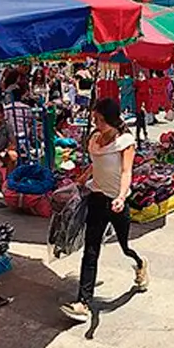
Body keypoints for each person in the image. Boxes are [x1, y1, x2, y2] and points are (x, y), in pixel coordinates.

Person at [61, 98, 147, 323]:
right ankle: (83, 302)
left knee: (124, 246)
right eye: (94, 119)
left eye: (99, 120)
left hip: (116, 202)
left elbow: (127, 172)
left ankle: (140, 264)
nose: (95, 123)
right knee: (91, 250)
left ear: (111, 120)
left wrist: (121, 197)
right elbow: (96, 162)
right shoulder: (94, 139)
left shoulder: (125, 142)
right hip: (96, 198)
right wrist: (83, 178)